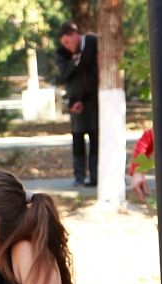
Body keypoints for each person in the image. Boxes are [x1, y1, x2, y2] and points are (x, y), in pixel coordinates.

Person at [57, 21, 99, 187]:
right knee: (78, 137)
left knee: (95, 137)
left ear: (74, 34)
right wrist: (74, 61)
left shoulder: (91, 42)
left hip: (93, 101)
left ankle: (95, 175)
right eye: (64, 44)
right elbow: (65, 74)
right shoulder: (63, 54)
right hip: (75, 101)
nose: (67, 46)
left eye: (68, 42)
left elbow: (94, 71)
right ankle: (79, 175)